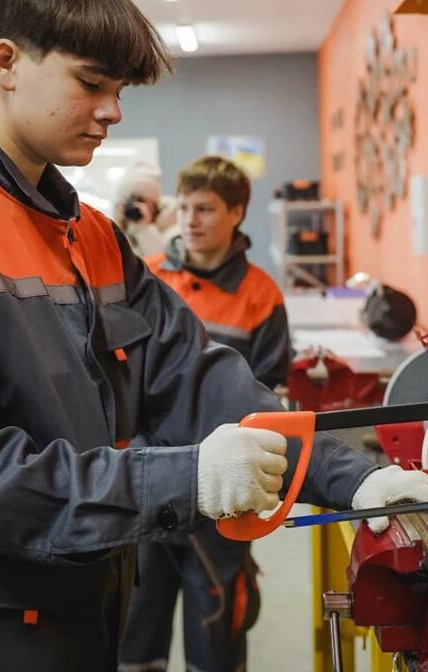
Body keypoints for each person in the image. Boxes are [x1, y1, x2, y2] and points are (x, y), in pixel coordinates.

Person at [0, 0, 428, 671]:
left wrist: (354, 477)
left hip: (80, 611)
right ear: (7, 63)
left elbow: (195, 378)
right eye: (91, 83)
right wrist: (184, 480)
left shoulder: (89, 235)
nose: (113, 110)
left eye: (119, 90)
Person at [120, 156, 290, 672]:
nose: (190, 220)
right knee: (132, 638)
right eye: (186, 207)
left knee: (215, 639)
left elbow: (266, 402)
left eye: (206, 209)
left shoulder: (261, 296)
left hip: (222, 501)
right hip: (145, 485)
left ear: (237, 212)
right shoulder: (148, 277)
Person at [113, 161, 176, 257]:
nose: (133, 207)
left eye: (139, 200)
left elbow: (160, 261)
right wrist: (119, 230)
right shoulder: (124, 227)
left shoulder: (173, 225)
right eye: (128, 202)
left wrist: (145, 229)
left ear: (154, 203)